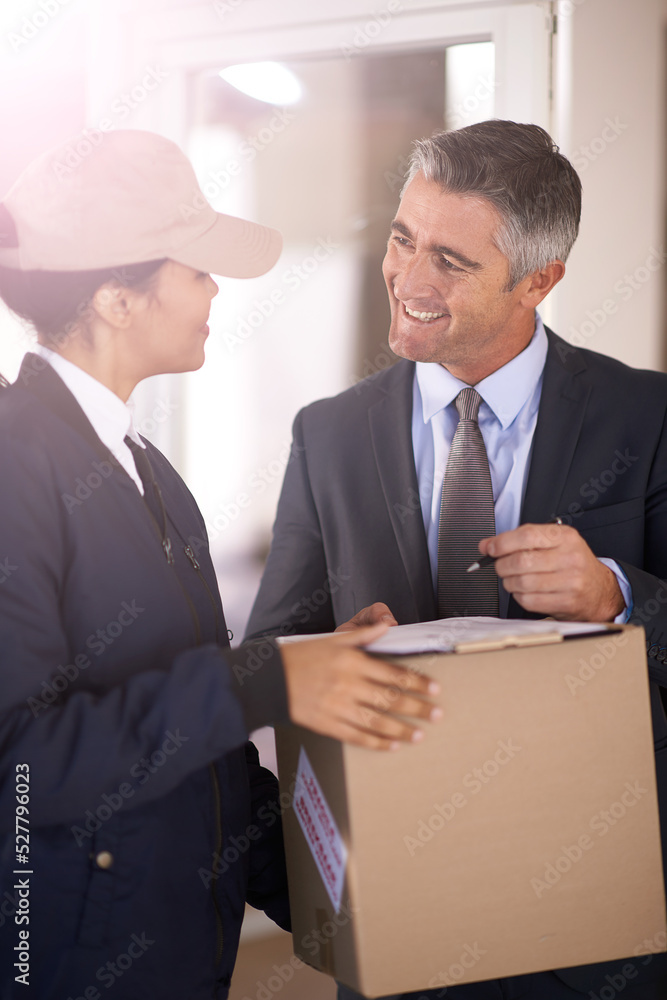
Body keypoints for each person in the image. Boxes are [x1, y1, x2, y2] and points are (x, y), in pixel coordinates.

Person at [0, 129, 442, 1000]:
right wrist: (261, 679)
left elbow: (205, 754)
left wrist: (339, 908)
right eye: (195, 268)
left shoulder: (151, 474)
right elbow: (22, 767)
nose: (216, 288)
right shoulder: (15, 464)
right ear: (116, 299)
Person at [245, 120, 667, 999]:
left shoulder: (646, 417)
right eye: (402, 240)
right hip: (398, 915)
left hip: (598, 922)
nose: (408, 280)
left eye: (451, 260)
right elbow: (271, 657)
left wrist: (615, 595)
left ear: (539, 280)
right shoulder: (328, 434)